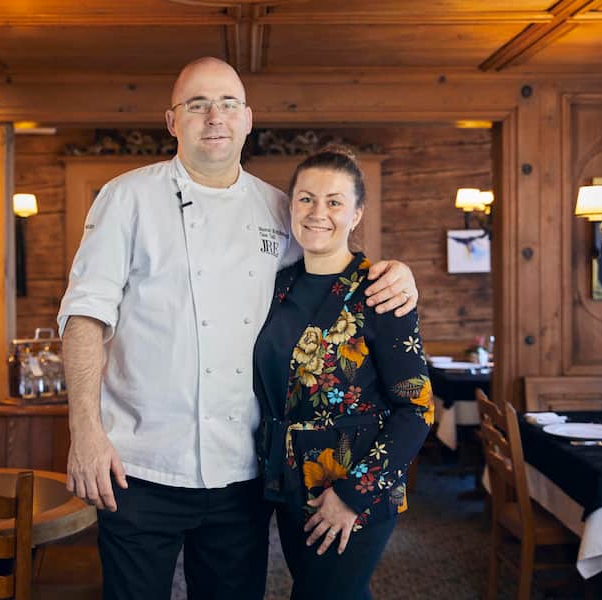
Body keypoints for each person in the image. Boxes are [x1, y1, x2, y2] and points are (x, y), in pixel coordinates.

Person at [57, 57, 419, 600]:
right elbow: (85, 316)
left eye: (227, 104)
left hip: (243, 471)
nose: (214, 117)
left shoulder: (278, 208)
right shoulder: (125, 198)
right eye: (196, 105)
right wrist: (85, 432)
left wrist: (395, 272)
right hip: (139, 464)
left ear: (248, 119)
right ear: (172, 121)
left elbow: (334, 265)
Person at [254, 147, 434, 600]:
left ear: (356, 215)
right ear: (290, 207)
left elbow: (416, 409)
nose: (319, 213)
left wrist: (352, 495)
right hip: (287, 485)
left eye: (334, 201)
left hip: (355, 490)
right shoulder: (275, 286)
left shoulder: (381, 291)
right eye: (307, 199)